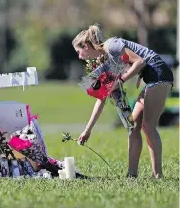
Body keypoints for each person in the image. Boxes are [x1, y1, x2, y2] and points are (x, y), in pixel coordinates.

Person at [72, 24, 174, 179]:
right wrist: (87, 130)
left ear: (86, 46)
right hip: (150, 78)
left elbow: (140, 61)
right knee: (133, 127)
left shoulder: (112, 46)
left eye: (79, 52)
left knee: (148, 126)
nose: (80, 57)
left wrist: (120, 80)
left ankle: (158, 175)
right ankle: (131, 175)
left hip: (159, 75)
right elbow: (102, 98)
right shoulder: (108, 59)